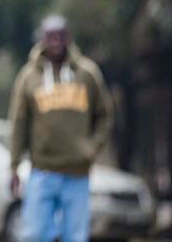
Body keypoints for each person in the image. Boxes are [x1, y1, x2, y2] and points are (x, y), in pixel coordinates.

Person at [8, 15, 114, 242]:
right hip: (41, 171)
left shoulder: (87, 73)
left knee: (76, 236)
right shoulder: (28, 76)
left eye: (60, 36)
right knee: (35, 234)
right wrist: (14, 165)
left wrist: (91, 148)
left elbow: (104, 116)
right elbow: (18, 124)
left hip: (77, 173)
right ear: (42, 40)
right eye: (50, 36)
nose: (56, 41)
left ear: (68, 38)